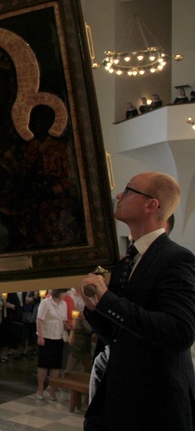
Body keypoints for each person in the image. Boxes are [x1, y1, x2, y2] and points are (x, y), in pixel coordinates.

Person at [80, 172, 195, 431]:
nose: (119, 195)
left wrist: (107, 301)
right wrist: (94, 308)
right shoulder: (124, 263)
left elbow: (180, 332)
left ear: (151, 205)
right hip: (120, 399)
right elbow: (115, 335)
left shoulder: (177, 258)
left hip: (158, 404)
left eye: (129, 190)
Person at [35, 289, 71, 401]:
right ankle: (40, 389)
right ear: (59, 292)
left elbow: (62, 320)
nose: (66, 294)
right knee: (44, 365)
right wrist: (40, 336)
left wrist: (68, 325)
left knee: (56, 366)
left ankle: (52, 390)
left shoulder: (64, 304)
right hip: (46, 337)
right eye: (65, 292)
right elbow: (39, 320)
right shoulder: (46, 302)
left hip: (58, 337)